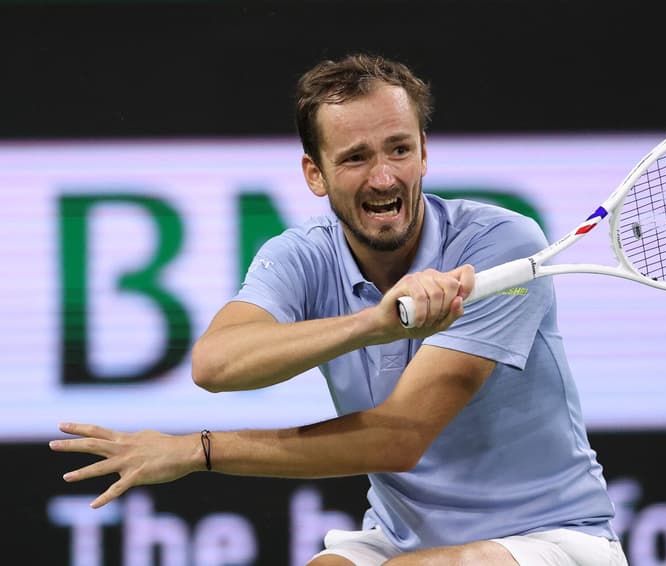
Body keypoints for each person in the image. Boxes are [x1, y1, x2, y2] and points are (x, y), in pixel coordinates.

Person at [50, 53, 628, 566]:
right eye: (355, 157)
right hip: (402, 536)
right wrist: (370, 324)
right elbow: (215, 365)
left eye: (400, 149)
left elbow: (398, 441)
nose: (384, 176)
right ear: (314, 174)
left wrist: (196, 451)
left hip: (554, 538)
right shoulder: (301, 256)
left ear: (424, 153)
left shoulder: (500, 245)